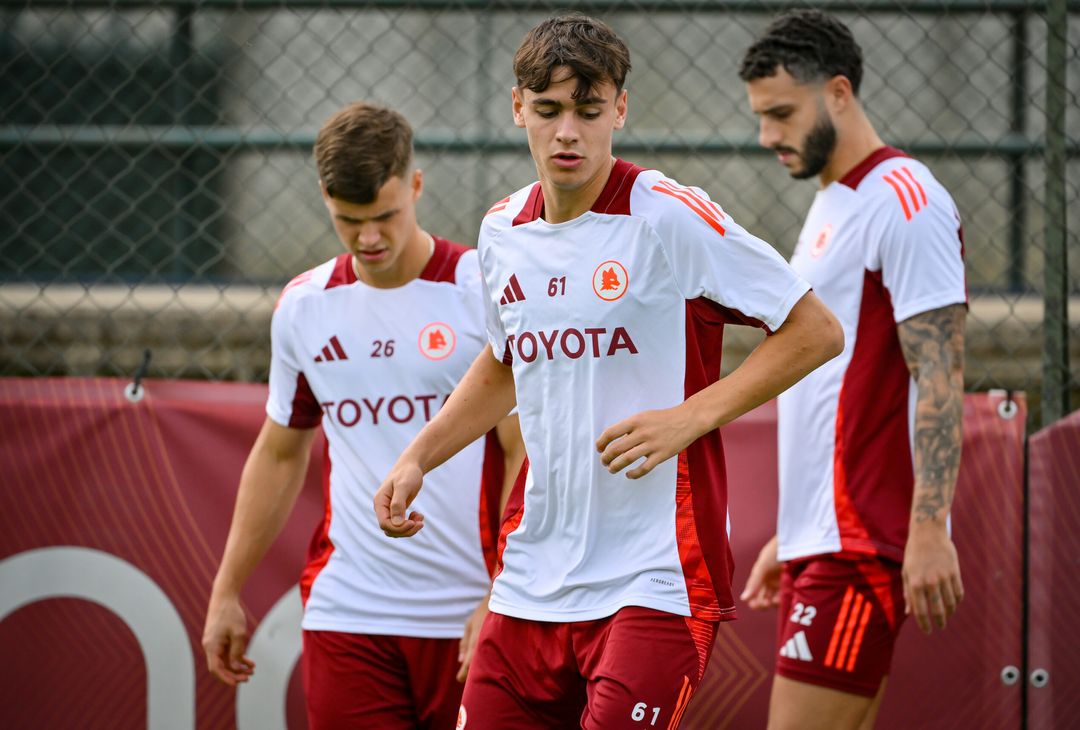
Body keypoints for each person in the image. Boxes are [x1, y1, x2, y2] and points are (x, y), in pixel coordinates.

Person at [374, 15, 843, 729]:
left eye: (589, 111)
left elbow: (815, 331)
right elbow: (506, 362)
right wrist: (418, 457)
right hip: (530, 578)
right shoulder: (503, 229)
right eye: (549, 110)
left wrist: (689, 418)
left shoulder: (668, 217)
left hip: (653, 580)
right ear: (517, 108)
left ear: (619, 110)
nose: (568, 133)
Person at [201, 101, 524, 730]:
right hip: (347, 613)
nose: (369, 238)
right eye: (349, 221)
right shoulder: (304, 307)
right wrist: (226, 589)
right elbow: (280, 451)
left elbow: (521, 448)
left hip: (468, 612)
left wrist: (501, 593)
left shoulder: (481, 289)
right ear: (325, 199)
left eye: (384, 216)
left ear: (416, 185)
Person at [737, 10, 968, 730]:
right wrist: (796, 531)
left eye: (782, 113)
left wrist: (929, 527)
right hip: (826, 539)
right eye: (760, 116)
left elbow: (941, 374)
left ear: (838, 92)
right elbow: (831, 386)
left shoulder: (906, 200)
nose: (766, 135)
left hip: (861, 543)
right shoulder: (834, 202)